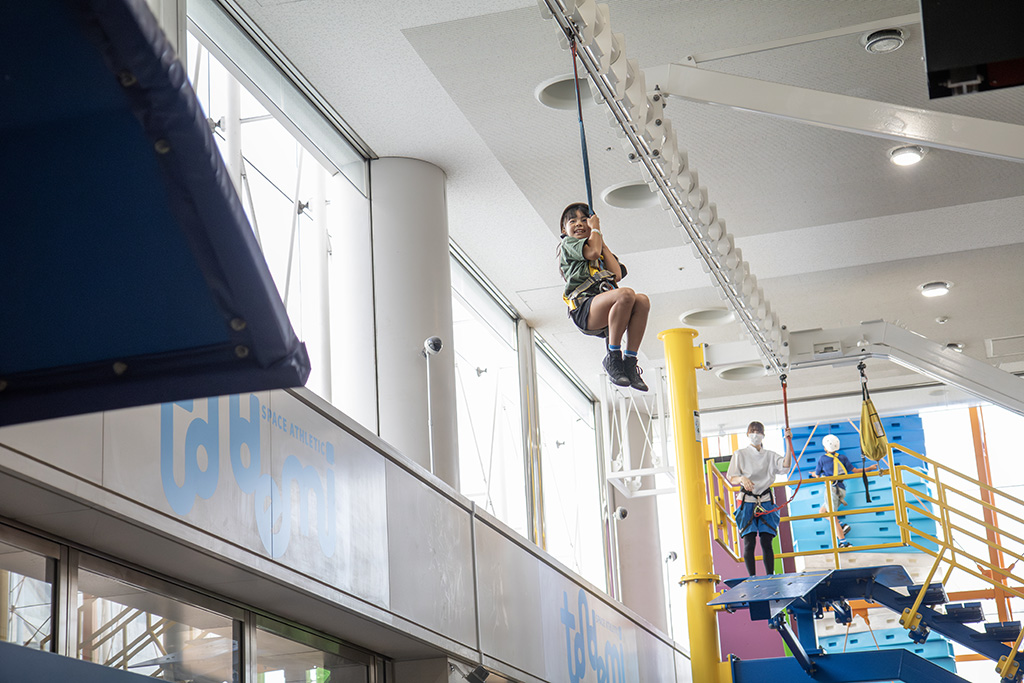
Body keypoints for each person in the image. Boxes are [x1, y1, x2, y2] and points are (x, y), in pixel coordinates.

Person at [557, 203, 651, 391]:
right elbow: (591, 252)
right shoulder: (569, 244)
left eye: (585, 220)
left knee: (642, 300)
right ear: (564, 229)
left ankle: (630, 361)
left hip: (605, 310)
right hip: (584, 308)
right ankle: (613, 357)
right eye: (573, 221)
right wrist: (596, 231)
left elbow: (616, 274)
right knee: (626, 294)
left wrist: (601, 242)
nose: (579, 224)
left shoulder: (598, 249)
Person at [727, 421, 793, 576]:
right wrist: (743, 479)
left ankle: (770, 575)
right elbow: (732, 477)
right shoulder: (740, 454)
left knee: (766, 541)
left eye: (758, 431)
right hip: (746, 501)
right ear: (747, 434)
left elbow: (785, 465)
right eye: (752, 431)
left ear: (763, 435)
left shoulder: (770, 456)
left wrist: (788, 442)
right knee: (749, 542)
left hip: (765, 500)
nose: (755, 434)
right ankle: (752, 577)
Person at [814, 433, 877, 548]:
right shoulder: (842, 457)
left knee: (833, 517)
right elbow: (855, 470)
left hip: (831, 489)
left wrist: (814, 474)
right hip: (842, 489)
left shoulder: (822, 459)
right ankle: (842, 526)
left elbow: (817, 476)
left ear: (825, 448)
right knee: (822, 512)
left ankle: (844, 542)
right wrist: (870, 468)